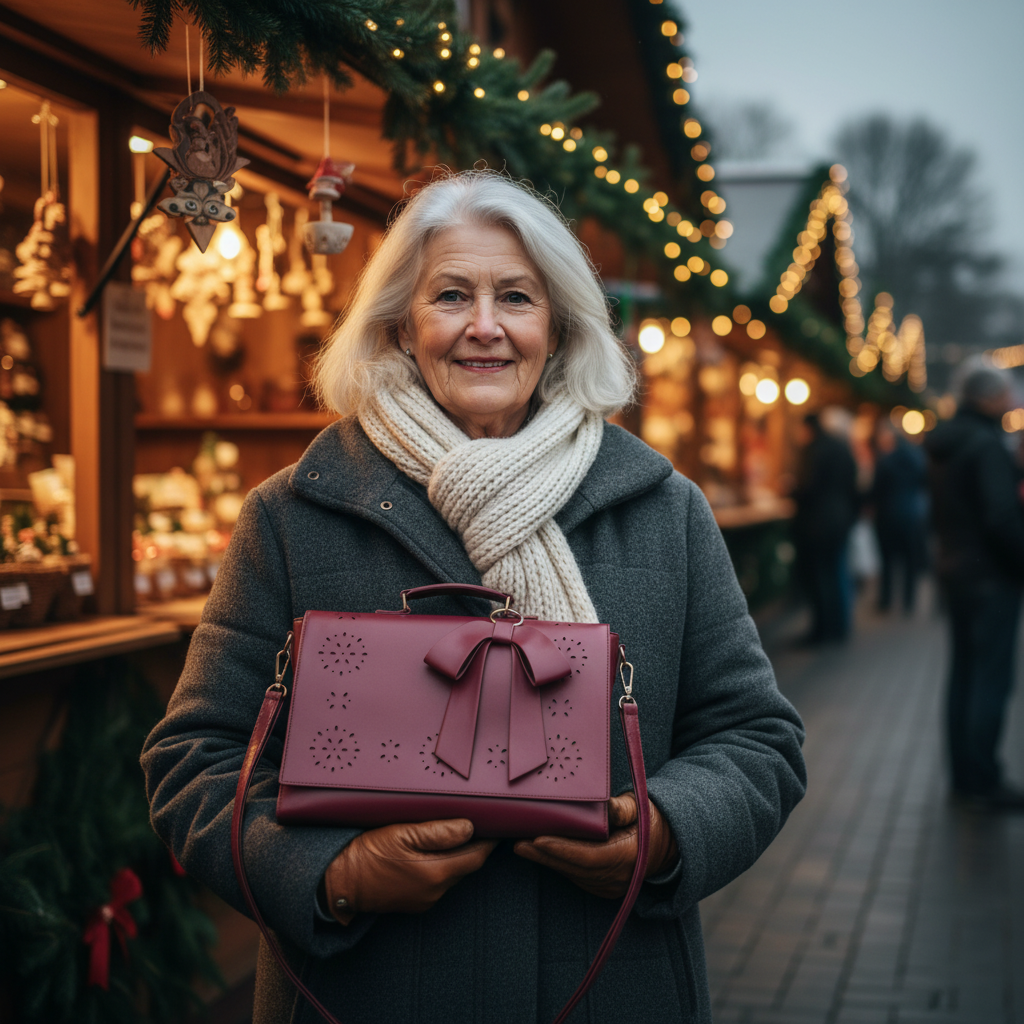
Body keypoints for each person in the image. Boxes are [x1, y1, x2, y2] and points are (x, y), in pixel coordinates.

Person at [141, 171, 806, 1023]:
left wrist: (667, 831)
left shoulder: (662, 510)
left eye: (516, 298)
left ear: (558, 327)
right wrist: (334, 874)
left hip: (608, 976)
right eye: (451, 295)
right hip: (368, 987)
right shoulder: (294, 514)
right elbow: (194, 756)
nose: (484, 326)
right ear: (400, 323)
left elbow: (758, 738)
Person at [926, 364, 1024, 809]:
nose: (1011, 400)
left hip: (956, 570)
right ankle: (983, 778)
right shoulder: (986, 445)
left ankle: (964, 775)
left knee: (964, 675)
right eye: (1006, 393)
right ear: (990, 397)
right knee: (989, 678)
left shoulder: (947, 442)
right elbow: (1001, 517)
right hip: (990, 577)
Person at [792, 411, 859, 643]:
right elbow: (853, 485)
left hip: (817, 523)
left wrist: (792, 491)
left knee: (820, 577)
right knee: (837, 572)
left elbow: (807, 487)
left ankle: (822, 629)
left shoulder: (814, 450)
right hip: (840, 520)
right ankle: (839, 626)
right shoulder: (842, 448)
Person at [870, 420, 928, 613]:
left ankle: (886, 600)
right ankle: (908, 601)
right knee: (909, 561)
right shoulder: (917, 457)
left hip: (888, 514)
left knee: (888, 560)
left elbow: (876, 489)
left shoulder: (885, 459)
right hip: (912, 514)